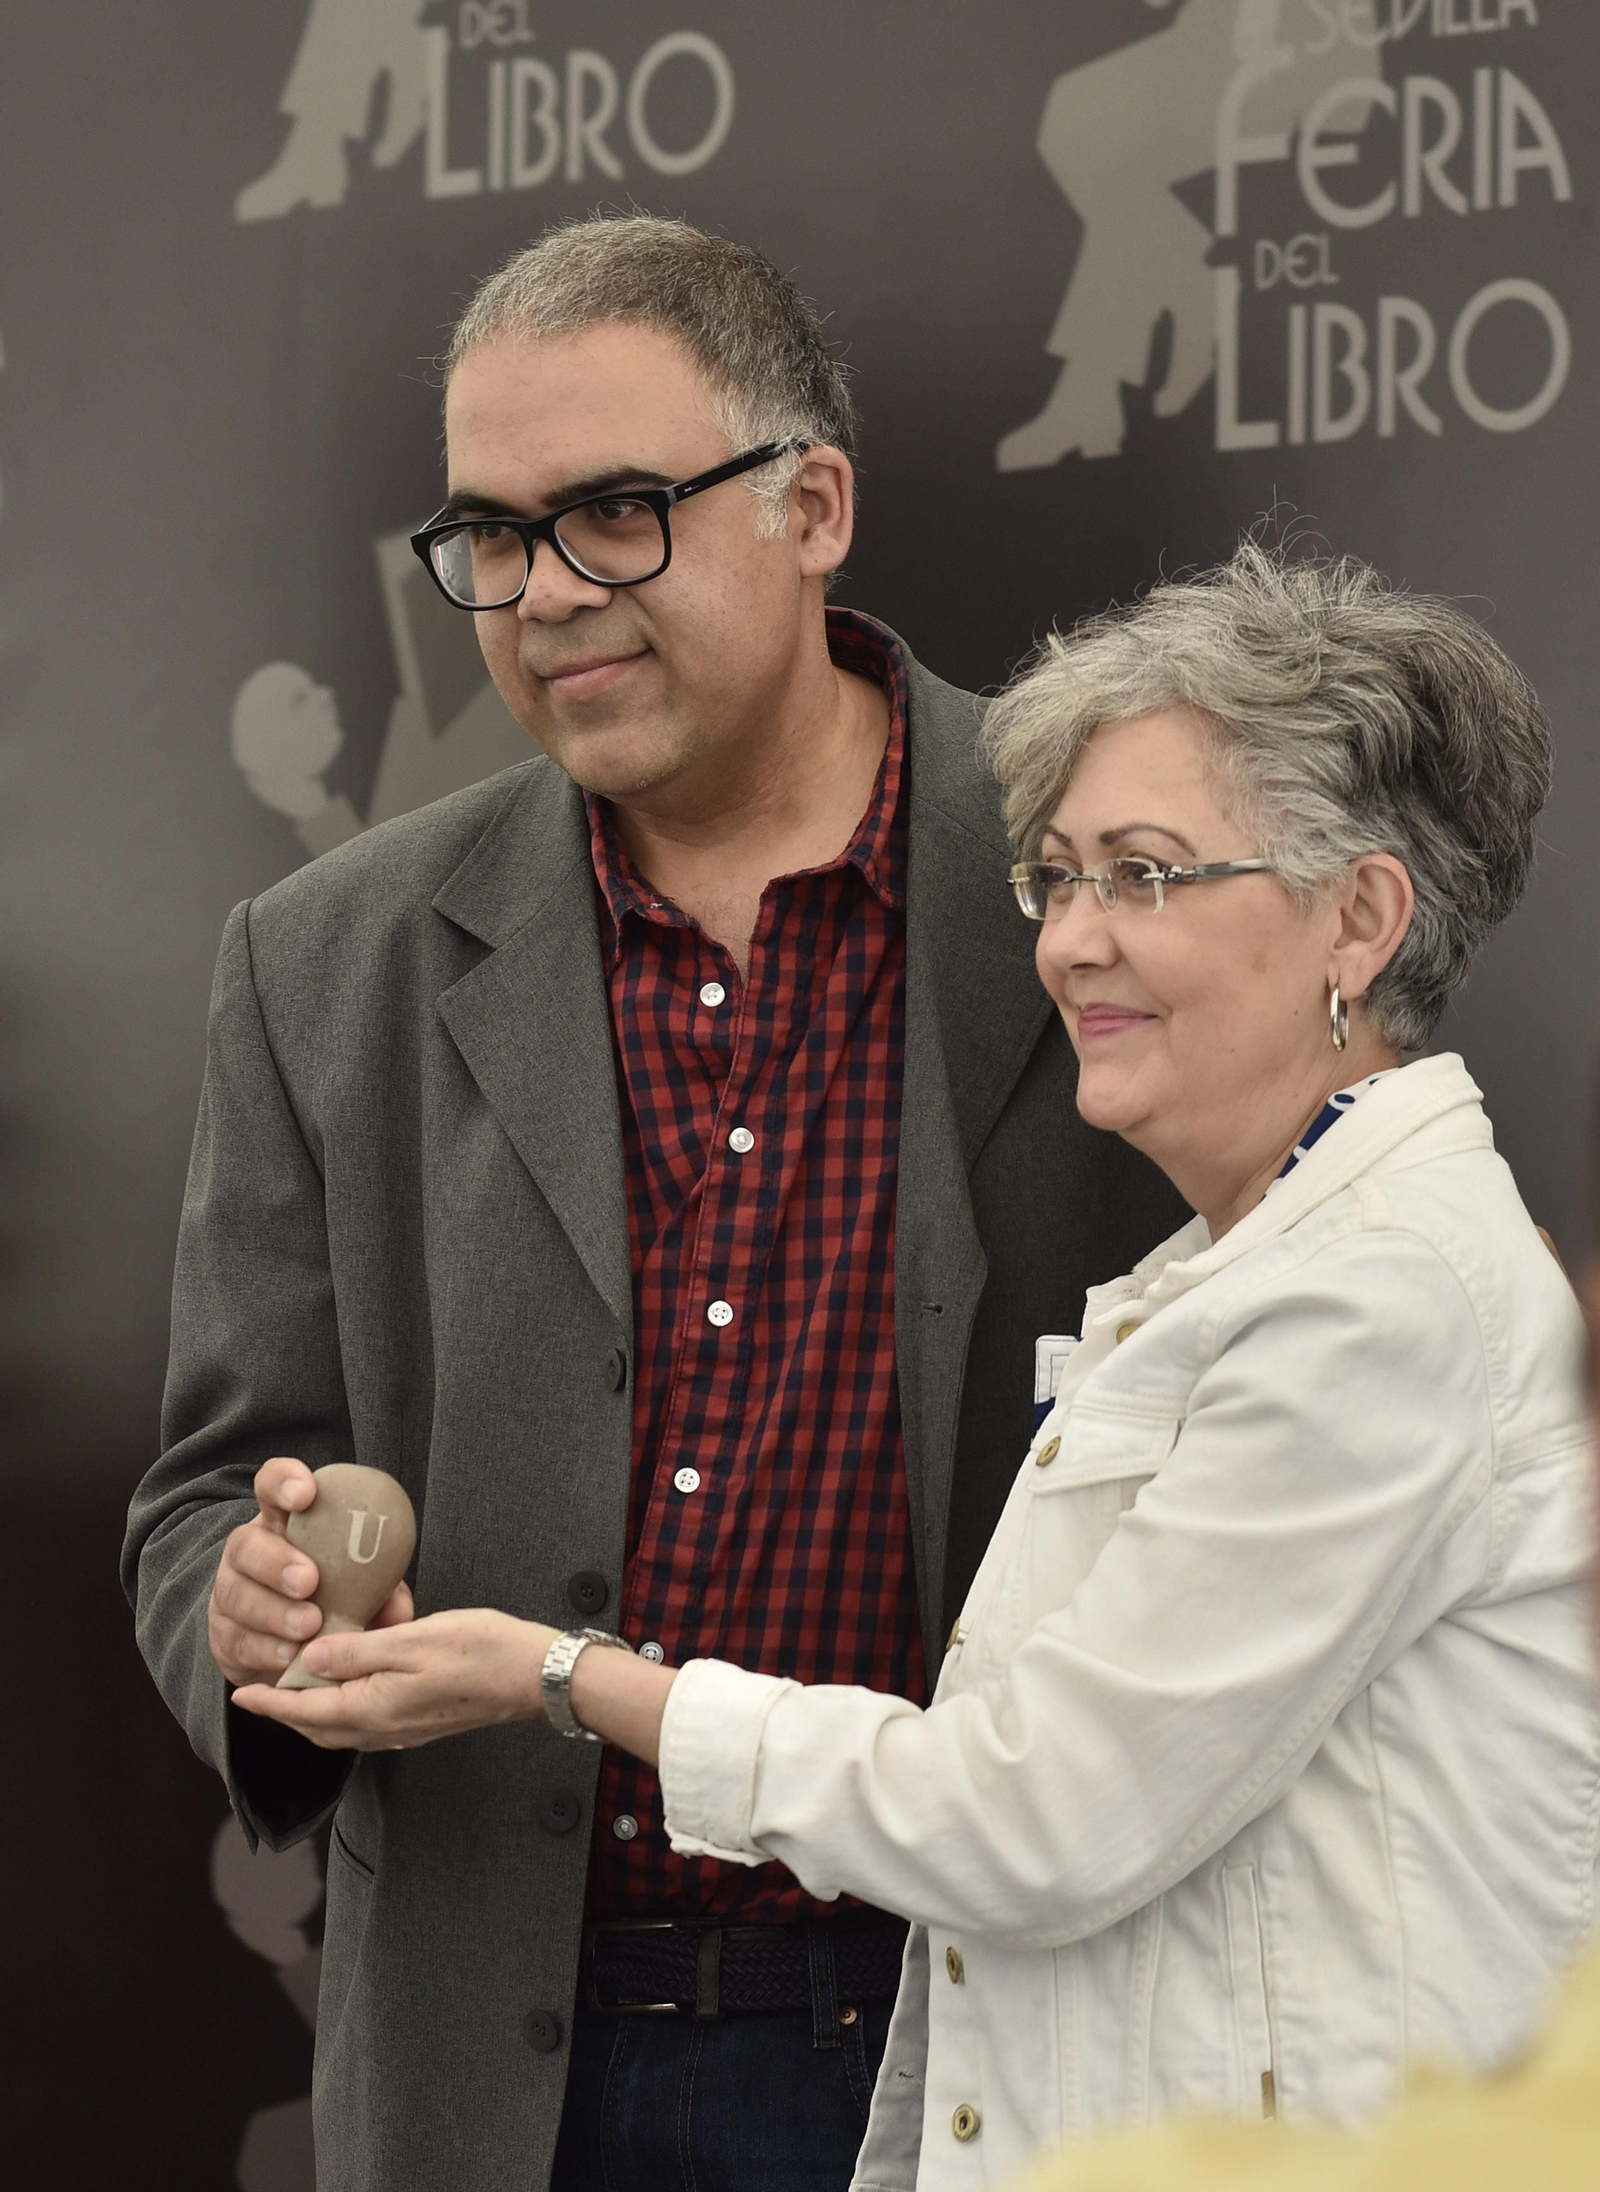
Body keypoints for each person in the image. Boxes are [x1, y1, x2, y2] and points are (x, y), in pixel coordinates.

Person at [234, 543, 1596, 2189]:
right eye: (1061, 878)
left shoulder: (1381, 1297)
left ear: (1360, 918)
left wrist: (566, 1676)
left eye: (1147, 875)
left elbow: (1028, 1816)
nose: (1077, 942)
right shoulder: (1240, 1269)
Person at [122, 216, 1180, 2192]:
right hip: (495, 2075)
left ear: (812, 505)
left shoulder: (1099, 878)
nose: (540, 596)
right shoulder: (321, 958)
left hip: (991, 2041)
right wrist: (248, 1615)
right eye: (491, 539)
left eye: (611, 512)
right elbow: (206, 1493)